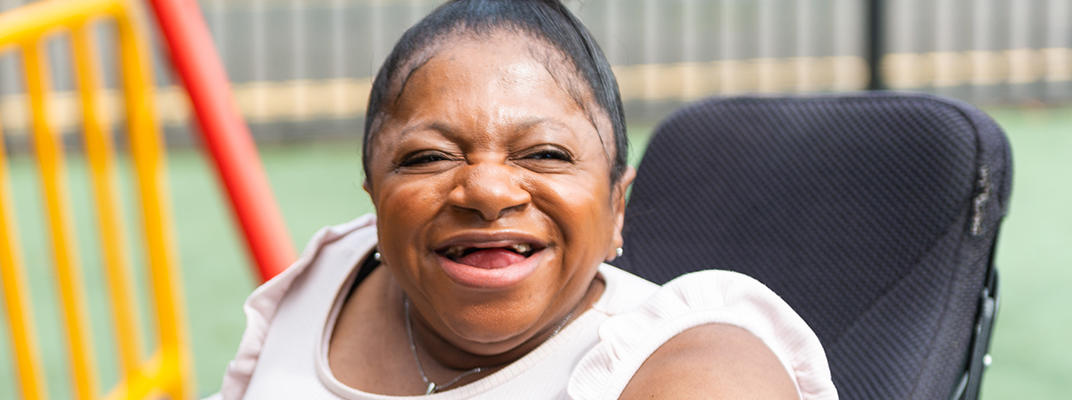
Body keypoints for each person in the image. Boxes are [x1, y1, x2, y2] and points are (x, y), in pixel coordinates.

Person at [213, 0, 837, 398]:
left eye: (544, 154)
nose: (487, 192)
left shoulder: (700, 368)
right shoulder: (329, 276)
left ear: (617, 206)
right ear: (374, 196)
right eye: (430, 156)